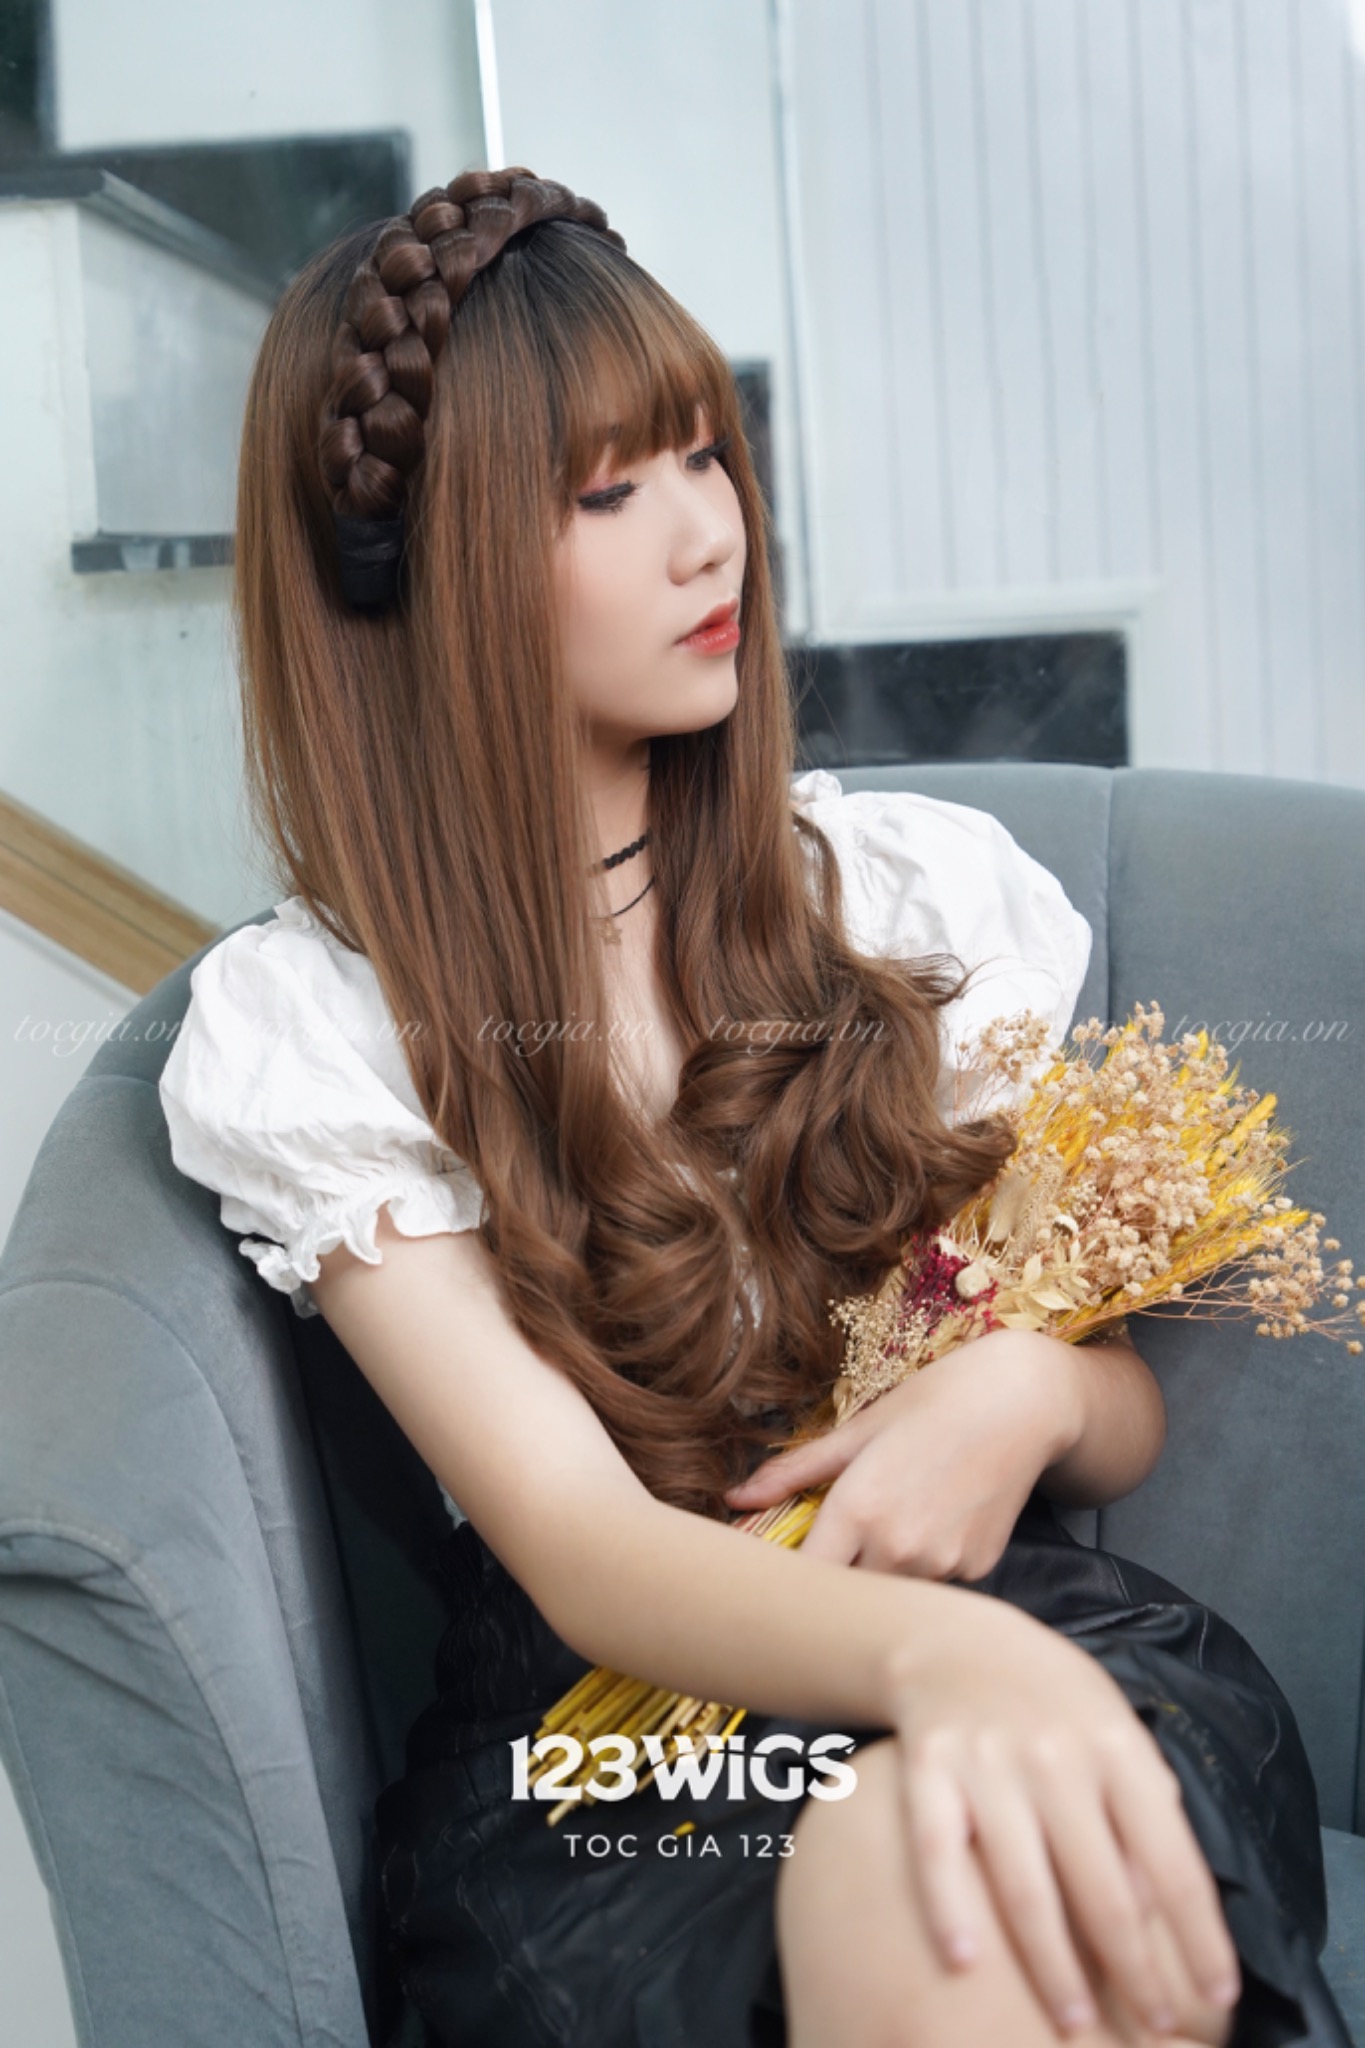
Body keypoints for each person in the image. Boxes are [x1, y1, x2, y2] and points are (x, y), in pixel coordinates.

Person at [158, 167, 1350, 2048]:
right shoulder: (322, 1028)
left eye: (704, 456)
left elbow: (1112, 1401)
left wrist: (1025, 1396)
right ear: (432, 574)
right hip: (624, 1756)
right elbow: (585, 1552)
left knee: (973, 1849)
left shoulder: (901, 901)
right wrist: (939, 1664)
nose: (707, 536)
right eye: (605, 496)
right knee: (935, 1869)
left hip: (1038, 1638)